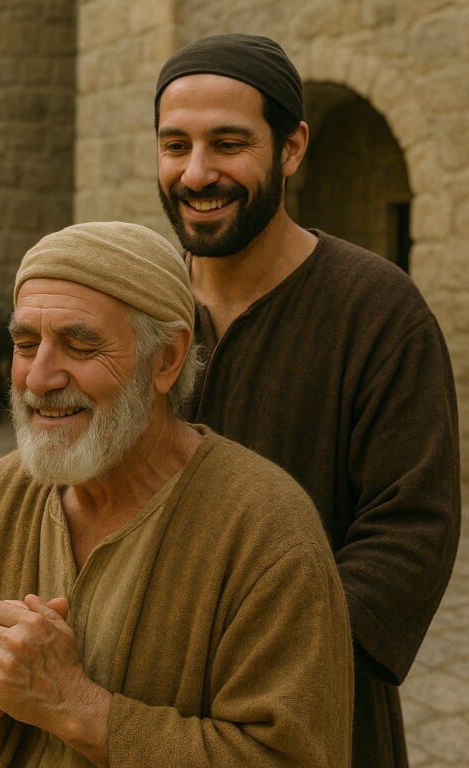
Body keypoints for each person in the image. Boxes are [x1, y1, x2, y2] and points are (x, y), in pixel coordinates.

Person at [0, 221, 353, 767]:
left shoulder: (268, 532)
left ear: (167, 360)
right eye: (25, 344)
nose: (39, 378)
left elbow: (290, 755)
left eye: (79, 345)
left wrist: (75, 704)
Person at [154, 33, 461, 768]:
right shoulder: (138, 302)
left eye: (228, 143)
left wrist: (277, 662)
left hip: (312, 716)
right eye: (175, 145)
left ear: (291, 148)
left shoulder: (379, 311)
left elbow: (411, 528)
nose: (197, 173)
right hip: (141, 700)